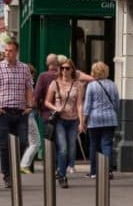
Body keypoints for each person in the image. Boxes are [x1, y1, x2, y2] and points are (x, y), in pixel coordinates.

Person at [0, 38, 35, 189]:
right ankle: (7, 175)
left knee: (23, 143)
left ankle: (15, 170)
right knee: (5, 145)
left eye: (10, 51)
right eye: (6, 51)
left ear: (16, 52)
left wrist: (29, 105)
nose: (7, 53)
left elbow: (28, 88)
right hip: (3, 112)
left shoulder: (24, 68)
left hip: (21, 112)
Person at [45, 56, 83, 188]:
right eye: (62, 68)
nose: (65, 71)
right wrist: (56, 108)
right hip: (60, 120)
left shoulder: (78, 85)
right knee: (63, 149)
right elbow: (47, 102)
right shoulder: (54, 84)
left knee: (72, 150)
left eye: (67, 68)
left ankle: (60, 169)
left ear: (72, 69)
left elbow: (79, 105)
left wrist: (81, 122)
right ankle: (62, 175)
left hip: (73, 121)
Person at [82, 61, 119, 180]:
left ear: (93, 72)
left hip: (94, 119)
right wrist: (113, 114)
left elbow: (87, 105)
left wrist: (83, 120)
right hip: (110, 118)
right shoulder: (112, 84)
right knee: (107, 144)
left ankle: (94, 171)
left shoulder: (91, 85)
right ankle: (107, 171)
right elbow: (117, 103)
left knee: (94, 145)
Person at [19, 64, 40, 174]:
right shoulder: (29, 85)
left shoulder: (19, 84)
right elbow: (32, 101)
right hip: (29, 115)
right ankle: (24, 165)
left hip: (22, 115)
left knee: (28, 141)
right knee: (35, 142)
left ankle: (24, 165)